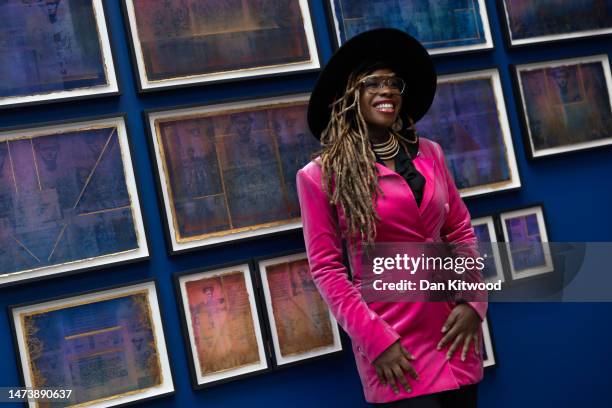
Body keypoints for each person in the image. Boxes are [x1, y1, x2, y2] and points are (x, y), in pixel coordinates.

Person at [296, 28, 487, 407]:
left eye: (393, 83)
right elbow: (328, 270)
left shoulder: (430, 153)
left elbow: (459, 229)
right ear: (348, 95)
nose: (387, 90)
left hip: (455, 332)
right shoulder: (319, 176)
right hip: (396, 349)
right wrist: (375, 342)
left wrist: (473, 300)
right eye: (373, 83)